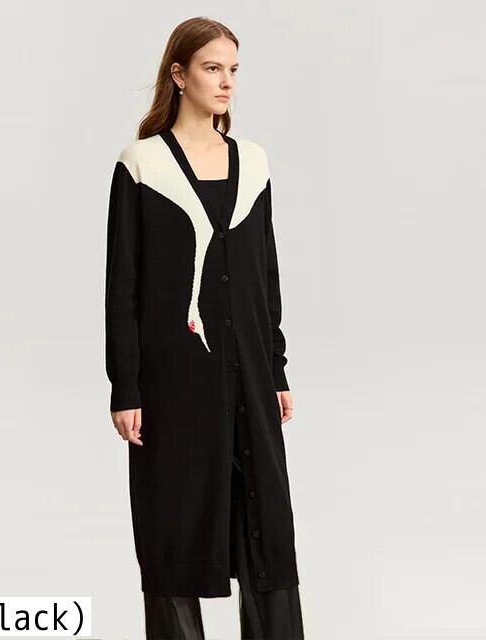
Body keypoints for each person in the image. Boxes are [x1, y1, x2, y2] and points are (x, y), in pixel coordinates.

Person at [104, 16, 304, 639]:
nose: (226, 82)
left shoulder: (254, 163)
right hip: (173, 384)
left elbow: (266, 277)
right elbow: (123, 288)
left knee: (267, 532)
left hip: (250, 377)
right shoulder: (142, 165)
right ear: (179, 74)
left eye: (233, 70)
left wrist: (276, 371)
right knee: (173, 526)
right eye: (212, 68)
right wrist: (125, 387)